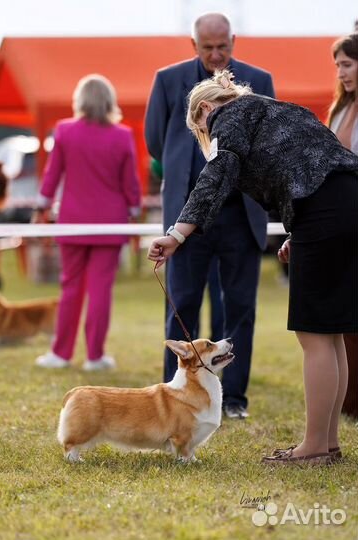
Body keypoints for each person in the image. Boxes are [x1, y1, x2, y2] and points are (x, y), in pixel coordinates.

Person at [148, 70, 358, 465]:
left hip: (324, 214)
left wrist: (176, 235)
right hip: (347, 204)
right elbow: (313, 169)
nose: (208, 135)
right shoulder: (277, 109)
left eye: (202, 128)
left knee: (313, 335)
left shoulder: (228, 117)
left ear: (206, 109)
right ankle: (328, 445)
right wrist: (299, 231)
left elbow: (216, 177)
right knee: (332, 334)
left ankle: (313, 447)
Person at [145, 13, 275, 419]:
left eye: (224, 47)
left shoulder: (260, 80)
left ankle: (234, 399)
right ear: (194, 44)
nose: (217, 56)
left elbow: (269, 138)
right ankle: (176, 396)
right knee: (181, 306)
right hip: (187, 218)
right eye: (208, 48)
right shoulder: (168, 80)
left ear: (233, 41)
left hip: (241, 216)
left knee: (239, 308)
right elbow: (154, 140)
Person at [34, 74, 141, 370]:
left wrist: (42, 205)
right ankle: (94, 357)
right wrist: (134, 208)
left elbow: (52, 174)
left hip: (72, 222)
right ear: (110, 101)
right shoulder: (122, 135)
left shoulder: (65, 131)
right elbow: (130, 181)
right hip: (110, 223)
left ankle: (60, 353)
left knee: (70, 289)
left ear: (79, 100)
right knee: (100, 291)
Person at [328, 33, 358, 419]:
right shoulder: (339, 106)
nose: (340, 72)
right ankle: (351, 401)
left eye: (347, 64)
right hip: (342, 219)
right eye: (337, 65)